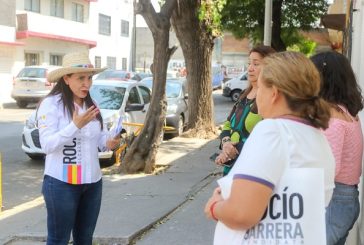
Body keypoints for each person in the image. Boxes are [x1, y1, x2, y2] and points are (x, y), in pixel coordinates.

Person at [205, 51, 335, 244]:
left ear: (274, 93)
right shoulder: (318, 138)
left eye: (260, 88)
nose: (257, 96)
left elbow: (242, 213)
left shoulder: (273, 131)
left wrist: (215, 207)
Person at [37, 52, 120, 245]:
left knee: (84, 239)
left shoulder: (92, 104)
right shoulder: (51, 105)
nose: (87, 83)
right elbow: (47, 145)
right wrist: (75, 126)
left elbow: (99, 140)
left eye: (90, 78)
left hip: (92, 183)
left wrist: (110, 142)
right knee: (59, 240)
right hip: (61, 184)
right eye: (81, 78)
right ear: (66, 79)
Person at [311, 51, 364, 245]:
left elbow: (329, 168)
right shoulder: (346, 111)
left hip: (334, 200)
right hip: (345, 199)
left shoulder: (333, 117)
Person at [216, 45, 275, 176]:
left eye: (256, 64)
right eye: (249, 63)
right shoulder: (243, 94)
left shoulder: (270, 100)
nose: (250, 68)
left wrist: (234, 150)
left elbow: (269, 140)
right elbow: (227, 125)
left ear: (270, 67)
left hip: (253, 171)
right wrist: (226, 145)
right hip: (231, 169)